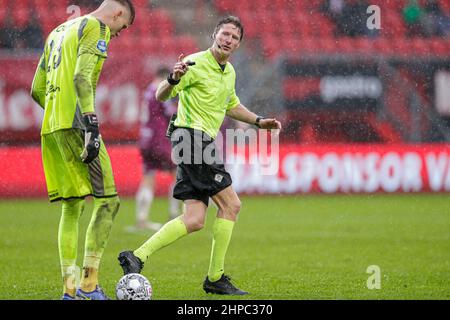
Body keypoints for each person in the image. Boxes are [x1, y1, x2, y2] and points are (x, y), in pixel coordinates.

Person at [118, 15, 282, 295]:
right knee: (231, 205)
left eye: (234, 37)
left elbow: (231, 105)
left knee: (194, 219)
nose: (229, 40)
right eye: (225, 34)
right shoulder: (194, 63)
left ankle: (137, 256)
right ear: (214, 35)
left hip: (194, 142)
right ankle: (215, 278)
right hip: (192, 139)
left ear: (238, 44)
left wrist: (258, 120)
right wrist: (172, 78)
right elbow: (161, 95)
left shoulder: (229, 72)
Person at [30, 0, 135, 300]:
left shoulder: (57, 32)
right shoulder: (97, 27)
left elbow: (36, 89)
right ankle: (89, 286)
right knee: (108, 201)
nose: (117, 35)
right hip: (79, 125)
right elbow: (80, 77)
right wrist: (90, 123)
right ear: (117, 14)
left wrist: (58, 114)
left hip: (52, 127)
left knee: (72, 206)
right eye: (122, 28)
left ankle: (69, 290)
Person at [130, 66, 182, 232]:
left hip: (145, 140)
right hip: (159, 140)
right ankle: (174, 215)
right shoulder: (160, 91)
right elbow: (171, 113)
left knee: (148, 177)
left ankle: (141, 219)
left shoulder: (147, 92)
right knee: (178, 173)